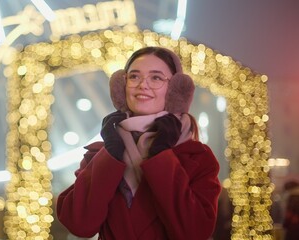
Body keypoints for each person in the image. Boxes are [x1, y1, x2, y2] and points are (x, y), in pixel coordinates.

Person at [56, 46, 222, 240]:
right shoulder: (98, 154)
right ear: (121, 86)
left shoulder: (198, 157)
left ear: (175, 90)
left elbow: (193, 233)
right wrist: (110, 155)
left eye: (156, 78)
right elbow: (80, 225)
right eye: (134, 77)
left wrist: (161, 156)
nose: (143, 85)